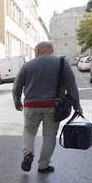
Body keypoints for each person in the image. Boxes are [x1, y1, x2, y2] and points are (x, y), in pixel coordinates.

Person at [12, 41, 81, 173]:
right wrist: (77, 107)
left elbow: (17, 87)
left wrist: (17, 102)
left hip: (31, 105)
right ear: (52, 50)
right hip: (53, 106)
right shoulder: (62, 63)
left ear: (37, 51)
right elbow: (71, 86)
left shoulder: (27, 65)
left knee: (29, 131)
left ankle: (28, 154)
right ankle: (43, 165)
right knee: (49, 135)